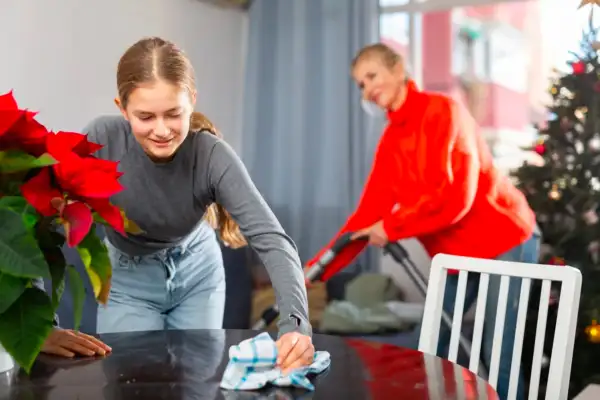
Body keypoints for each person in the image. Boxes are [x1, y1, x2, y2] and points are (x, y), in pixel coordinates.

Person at [40, 37, 314, 374]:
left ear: (192, 101)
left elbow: (272, 239)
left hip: (199, 276)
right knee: (131, 384)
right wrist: (43, 325)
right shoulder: (100, 140)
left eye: (173, 114)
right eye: (145, 116)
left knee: (196, 385)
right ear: (122, 109)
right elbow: (39, 225)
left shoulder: (211, 155)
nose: (161, 130)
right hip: (128, 281)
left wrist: (296, 325)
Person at [304, 43, 539, 400]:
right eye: (360, 84)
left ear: (398, 68)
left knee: (495, 352)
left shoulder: (444, 112)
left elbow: (455, 197)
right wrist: (314, 272)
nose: (366, 89)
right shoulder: (391, 140)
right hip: (457, 256)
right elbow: (366, 217)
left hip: (504, 238)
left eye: (372, 76)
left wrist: (393, 226)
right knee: (431, 346)